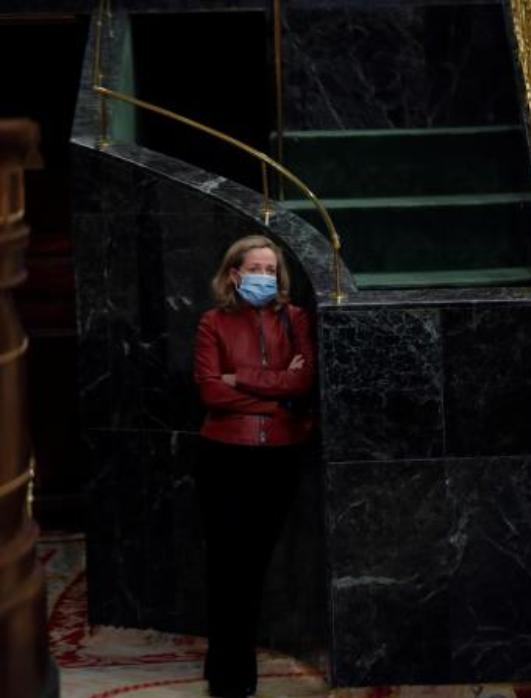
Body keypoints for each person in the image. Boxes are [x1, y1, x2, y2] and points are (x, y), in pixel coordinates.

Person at [192, 235, 315, 698]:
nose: (265, 276)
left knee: (254, 566)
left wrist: (240, 379)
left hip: (278, 457)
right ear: (234, 274)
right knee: (227, 566)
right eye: (256, 268)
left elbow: (303, 381)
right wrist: (276, 393)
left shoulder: (296, 318)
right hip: (224, 455)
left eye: (271, 269)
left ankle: (228, 670)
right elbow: (209, 392)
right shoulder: (213, 322)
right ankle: (229, 679)